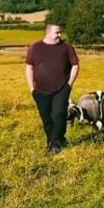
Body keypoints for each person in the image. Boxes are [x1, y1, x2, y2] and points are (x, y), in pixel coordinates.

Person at [25, 23, 79, 154]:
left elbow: (75, 65)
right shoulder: (35, 48)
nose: (60, 35)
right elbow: (29, 67)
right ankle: (55, 140)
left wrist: (69, 85)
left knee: (59, 115)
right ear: (48, 33)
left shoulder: (66, 47)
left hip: (61, 88)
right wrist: (32, 88)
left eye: (60, 32)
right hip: (40, 90)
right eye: (57, 33)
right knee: (46, 117)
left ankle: (54, 144)